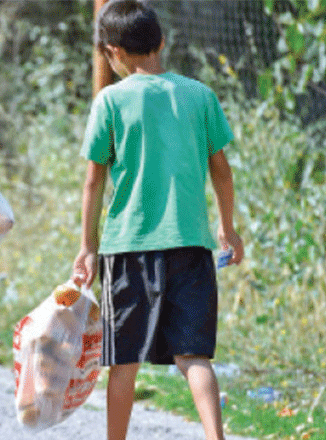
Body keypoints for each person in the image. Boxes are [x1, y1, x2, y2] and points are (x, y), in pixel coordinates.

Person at [70, 1, 245, 440]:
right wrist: (227, 226)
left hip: (127, 246)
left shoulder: (109, 100)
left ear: (112, 52)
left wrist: (87, 247)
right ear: (161, 42)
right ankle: (215, 437)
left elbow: (94, 182)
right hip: (190, 243)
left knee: (123, 360)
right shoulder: (199, 94)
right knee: (194, 356)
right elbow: (221, 168)